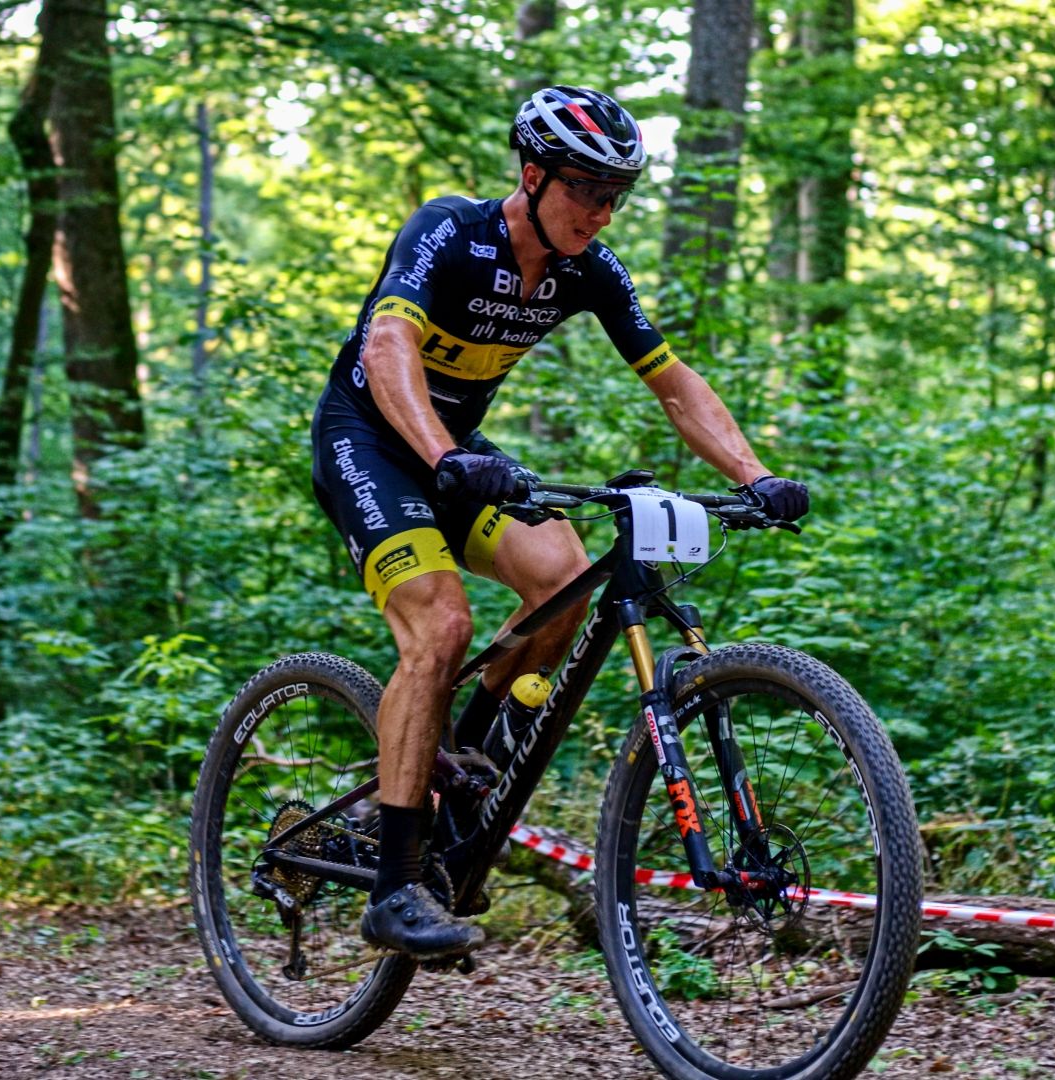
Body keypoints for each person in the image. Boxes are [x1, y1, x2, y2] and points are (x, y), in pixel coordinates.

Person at [309, 85, 810, 959]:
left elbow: (673, 383)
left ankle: (461, 764)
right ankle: (392, 892)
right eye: (587, 189)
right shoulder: (450, 231)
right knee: (442, 625)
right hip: (372, 440)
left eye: (617, 196)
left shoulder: (589, 270)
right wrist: (443, 456)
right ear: (534, 175)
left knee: (565, 581)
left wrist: (755, 475)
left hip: (455, 451)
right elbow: (388, 346)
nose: (602, 212)